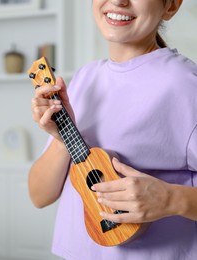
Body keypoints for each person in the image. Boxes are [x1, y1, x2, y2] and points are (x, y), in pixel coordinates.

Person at [28, 0, 197, 259]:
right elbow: (39, 196)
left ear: (171, 6)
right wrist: (62, 140)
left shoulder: (186, 87)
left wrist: (172, 198)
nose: (119, 1)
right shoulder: (84, 78)